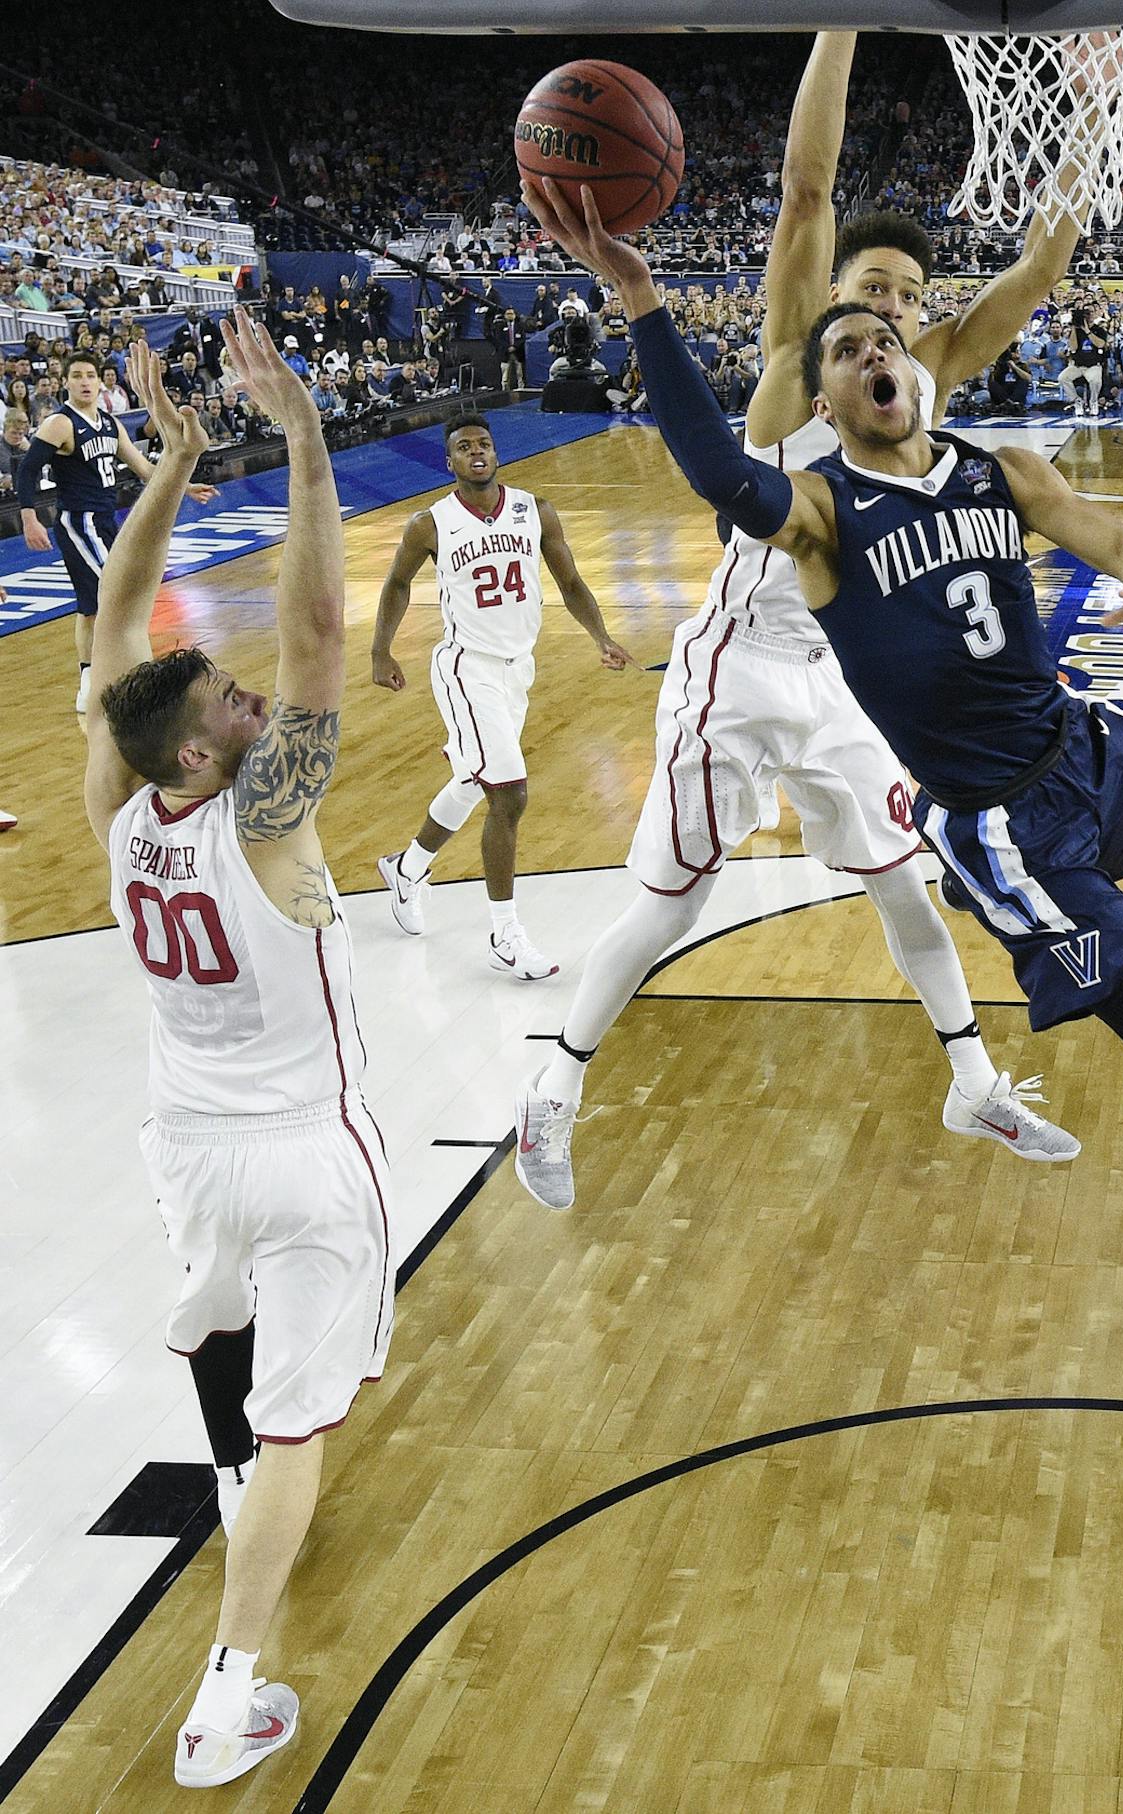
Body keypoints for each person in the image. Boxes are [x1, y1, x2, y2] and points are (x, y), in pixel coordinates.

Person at [531, 174, 1123, 1329]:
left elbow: (1111, 530)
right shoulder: (817, 512)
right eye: (844, 346)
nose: (873, 350)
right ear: (825, 395)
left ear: (917, 365)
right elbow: (712, 459)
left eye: (889, 336)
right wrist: (643, 300)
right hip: (1005, 824)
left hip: (1087, 751)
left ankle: (989, 1057)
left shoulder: (1003, 471)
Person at [511, 34, 1085, 1211]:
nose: (890, 306)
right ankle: (553, 1090)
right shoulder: (793, 353)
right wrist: (842, 19)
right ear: (832, 298)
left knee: (904, 885)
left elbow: (1035, 273)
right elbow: (808, 186)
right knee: (676, 901)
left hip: (846, 676)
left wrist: (1078, 128)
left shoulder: (923, 384)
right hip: (736, 666)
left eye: (909, 298)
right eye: (871, 287)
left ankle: (971, 1079)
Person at [85, 322, 392, 1791]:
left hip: (187, 1140)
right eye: (228, 704)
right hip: (305, 1149)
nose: (253, 698)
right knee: (301, 1437)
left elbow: (115, 616)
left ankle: (219, 1474)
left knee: (213, 1320)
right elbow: (321, 626)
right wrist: (306, 437)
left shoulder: (121, 803)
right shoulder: (264, 817)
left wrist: (187, 464)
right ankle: (229, 1688)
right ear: (205, 762)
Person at [370, 415, 629, 977]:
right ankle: (505, 935)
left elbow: (571, 583)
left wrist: (600, 635)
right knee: (508, 793)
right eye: (463, 447)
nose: (476, 452)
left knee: (472, 778)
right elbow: (396, 583)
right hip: (467, 668)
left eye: (483, 443)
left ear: (496, 451)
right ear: (450, 462)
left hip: (518, 670)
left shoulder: (535, 511)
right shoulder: (430, 524)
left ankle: (408, 867)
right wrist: (380, 652)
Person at [16, 349, 219, 712]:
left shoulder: (110, 423)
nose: (84, 382)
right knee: (117, 595)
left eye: (89, 375)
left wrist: (184, 485)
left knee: (92, 607)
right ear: (65, 382)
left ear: (99, 381)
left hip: (107, 521)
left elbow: (142, 466)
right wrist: (30, 517)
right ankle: (129, 675)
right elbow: (28, 470)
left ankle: (91, 679)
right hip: (79, 522)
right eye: (76, 375)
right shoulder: (59, 424)